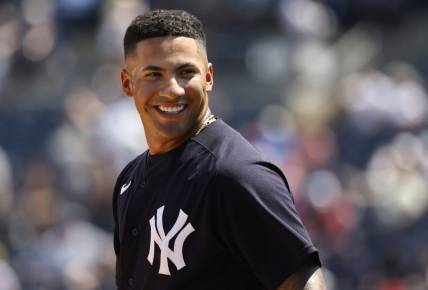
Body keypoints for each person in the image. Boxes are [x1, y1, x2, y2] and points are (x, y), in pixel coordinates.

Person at [113, 9, 327, 290]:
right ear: (128, 83)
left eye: (186, 72)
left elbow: (307, 285)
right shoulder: (129, 179)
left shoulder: (235, 175)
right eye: (154, 74)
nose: (172, 89)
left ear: (209, 77)